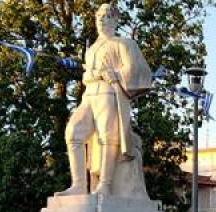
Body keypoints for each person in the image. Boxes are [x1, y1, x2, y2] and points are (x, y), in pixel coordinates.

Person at [55, 3, 151, 198]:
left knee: (108, 137)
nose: (101, 19)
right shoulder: (91, 50)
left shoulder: (124, 43)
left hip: (109, 92)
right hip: (89, 93)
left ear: (115, 20)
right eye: (99, 16)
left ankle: (105, 185)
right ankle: (79, 184)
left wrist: (115, 73)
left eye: (106, 16)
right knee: (73, 133)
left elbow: (138, 70)